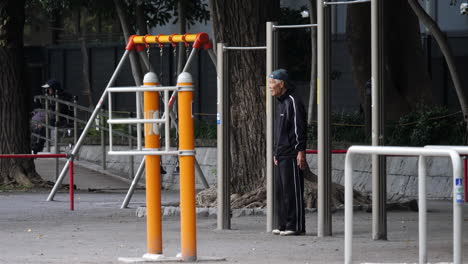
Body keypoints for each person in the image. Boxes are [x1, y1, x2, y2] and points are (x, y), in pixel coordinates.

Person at [268, 69, 307, 236]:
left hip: (292, 153)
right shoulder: (281, 102)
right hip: (281, 153)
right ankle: (283, 224)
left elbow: (299, 128)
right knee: (282, 191)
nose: (269, 86)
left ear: (281, 84)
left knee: (292, 191)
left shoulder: (292, 101)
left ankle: (296, 225)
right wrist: (276, 152)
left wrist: (300, 151)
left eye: (272, 83)